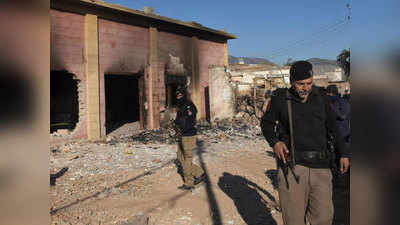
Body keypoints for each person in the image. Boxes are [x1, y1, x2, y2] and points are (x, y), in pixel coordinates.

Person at [261, 61, 350, 225]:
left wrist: (343, 153)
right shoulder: (281, 98)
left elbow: (333, 127)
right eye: (301, 84)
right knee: (294, 220)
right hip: (293, 167)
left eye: (309, 83)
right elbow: (266, 124)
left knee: (324, 218)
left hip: (321, 167)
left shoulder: (321, 97)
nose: (305, 88)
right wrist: (275, 142)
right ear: (291, 81)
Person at [326, 84, 351, 225]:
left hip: (343, 138)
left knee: (343, 162)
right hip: (337, 138)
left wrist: (331, 109)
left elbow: (342, 116)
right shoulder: (338, 102)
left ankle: (342, 185)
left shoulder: (341, 103)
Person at [174, 86, 205, 190]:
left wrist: (181, 127)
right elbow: (179, 120)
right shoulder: (181, 105)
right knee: (179, 156)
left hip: (188, 135)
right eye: (177, 94)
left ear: (184, 94)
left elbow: (190, 122)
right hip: (182, 135)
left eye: (180, 94)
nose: (178, 96)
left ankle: (189, 183)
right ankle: (199, 173)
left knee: (187, 159)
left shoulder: (189, 105)